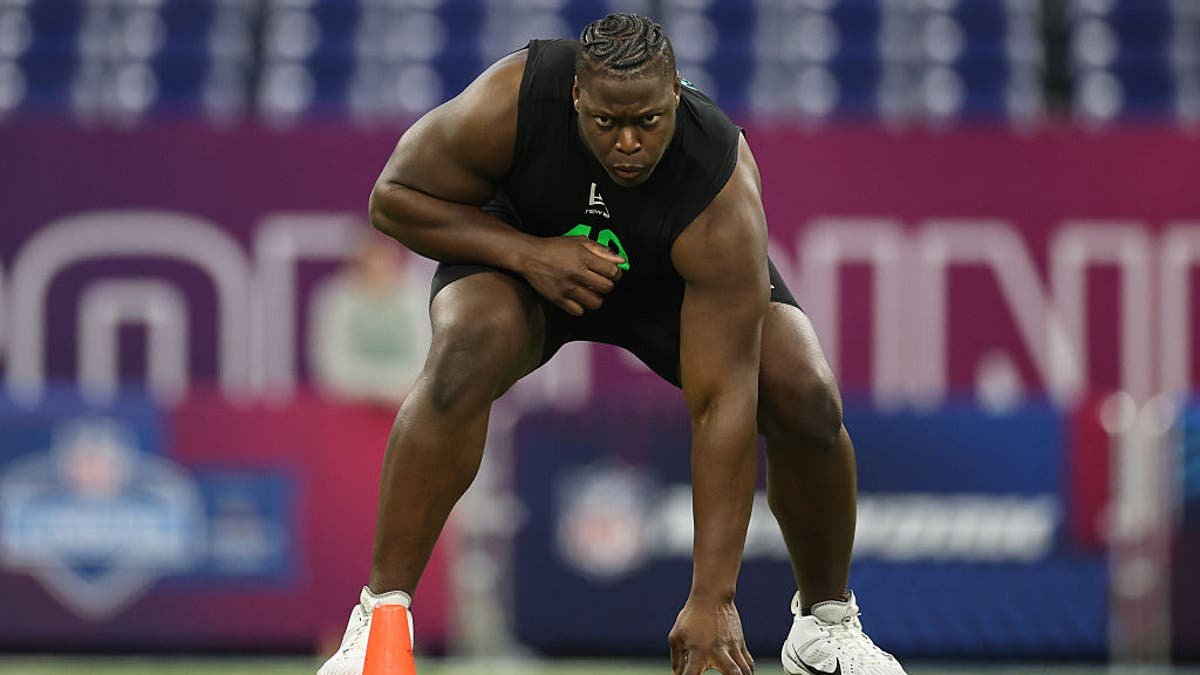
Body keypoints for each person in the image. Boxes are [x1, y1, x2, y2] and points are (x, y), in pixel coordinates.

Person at [319, 14, 906, 675]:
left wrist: (712, 597)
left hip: (671, 293)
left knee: (805, 393)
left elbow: (721, 402)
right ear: (576, 98)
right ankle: (379, 620)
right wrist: (528, 253)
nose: (628, 142)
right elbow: (393, 199)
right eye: (606, 123)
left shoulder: (719, 185)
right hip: (528, 260)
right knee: (463, 349)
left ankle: (825, 624)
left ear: (676, 98)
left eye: (648, 122)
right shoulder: (514, 97)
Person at [309, 232, 430, 408]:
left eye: (385, 261)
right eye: (371, 261)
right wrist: (371, 392)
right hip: (348, 411)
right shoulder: (335, 299)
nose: (379, 268)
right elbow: (332, 365)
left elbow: (426, 361)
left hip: (405, 408)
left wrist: (395, 390)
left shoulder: (419, 296)